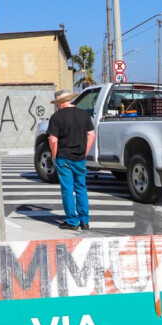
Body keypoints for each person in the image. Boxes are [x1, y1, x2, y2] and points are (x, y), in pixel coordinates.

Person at [47, 89, 96, 231]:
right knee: (81, 188)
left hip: (64, 157)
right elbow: (91, 135)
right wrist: (84, 153)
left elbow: (53, 140)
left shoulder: (56, 117)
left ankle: (72, 221)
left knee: (67, 189)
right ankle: (85, 221)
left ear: (60, 103)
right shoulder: (83, 114)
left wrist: (54, 155)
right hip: (80, 158)